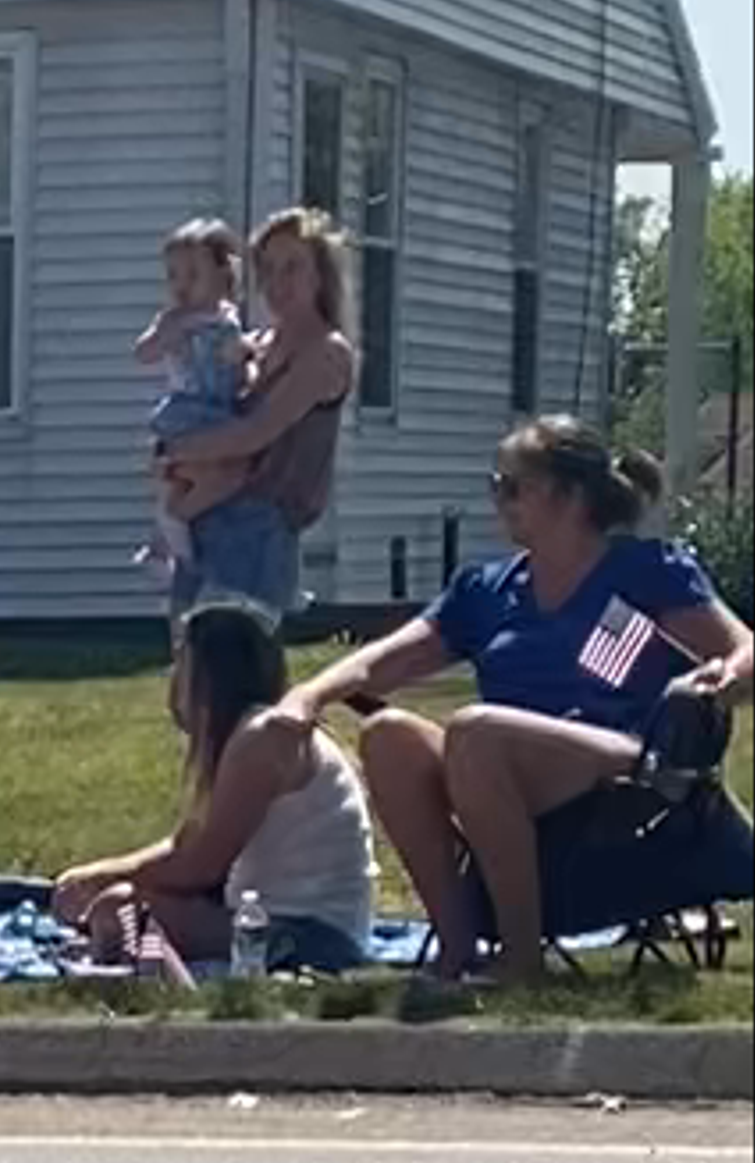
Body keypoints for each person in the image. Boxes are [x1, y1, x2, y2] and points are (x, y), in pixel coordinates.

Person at [298, 414, 755, 990]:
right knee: (387, 737)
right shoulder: (486, 591)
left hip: (625, 771)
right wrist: (306, 698)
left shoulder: (646, 572)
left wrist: (720, 678)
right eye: (497, 485)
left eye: (513, 487)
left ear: (570, 496)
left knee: (475, 730)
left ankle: (521, 959)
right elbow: (384, 661)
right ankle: (458, 948)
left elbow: (746, 650)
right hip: (504, 770)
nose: (499, 499)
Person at [57, 593, 382, 975]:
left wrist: (102, 880)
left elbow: (199, 866)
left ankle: (140, 970)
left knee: (118, 909)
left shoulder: (260, 739)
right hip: (279, 921)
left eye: (182, 662)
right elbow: (188, 845)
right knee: (116, 904)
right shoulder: (251, 733)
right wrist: (95, 876)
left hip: (310, 939)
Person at [155, 202, 353, 620]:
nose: (277, 282)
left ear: (320, 274)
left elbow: (253, 434)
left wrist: (170, 450)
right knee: (191, 669)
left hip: (258, 527)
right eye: (268, 268)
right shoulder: (254, 344)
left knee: (234, 667)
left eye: (292, 267)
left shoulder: (326, 352)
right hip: (207, 516)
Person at [135, 221, 256, 606]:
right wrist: (169, 334)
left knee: (232, 480)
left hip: (221, 411)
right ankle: (174, 548)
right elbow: (144, 353)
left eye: (192, 274)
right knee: (181, 483)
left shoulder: (229, 318)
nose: (181, 285)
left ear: (223, 276)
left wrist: (247, 361)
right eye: (173, 275)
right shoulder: (173, 319)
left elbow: (238, 372)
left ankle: (172, 546)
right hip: (188, 413)